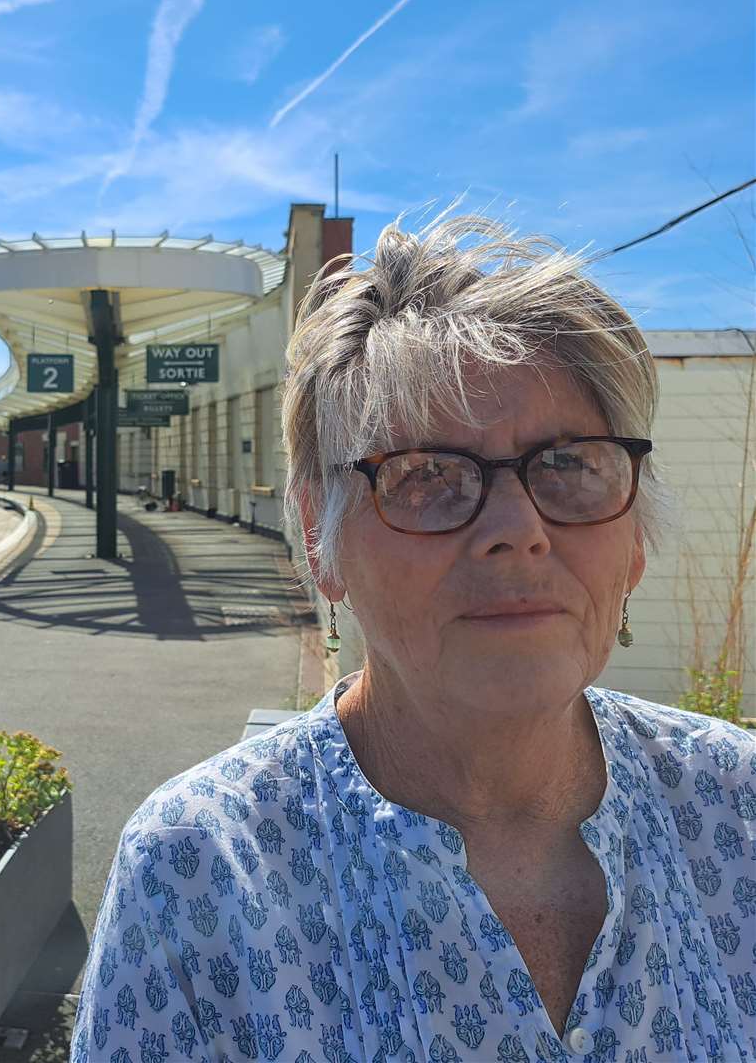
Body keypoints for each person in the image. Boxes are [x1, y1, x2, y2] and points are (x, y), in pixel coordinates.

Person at [70, 215, 755, 1063]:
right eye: (424, 474)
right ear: (320, 541)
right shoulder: (198, 871)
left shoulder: (735, 806)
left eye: (569, 463)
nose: (517, 529)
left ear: (635, 541)